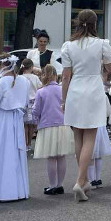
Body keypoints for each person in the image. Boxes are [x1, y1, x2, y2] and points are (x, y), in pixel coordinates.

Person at [61, 9, 111, 202]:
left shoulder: (68, 45)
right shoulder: (102, 44)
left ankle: (83, 181)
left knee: (78, 136)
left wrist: (64, 100)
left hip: (75, 90)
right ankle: (80, 181)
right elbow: (110, 67)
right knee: (90, 137)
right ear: (95, 23)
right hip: (93, 89)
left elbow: (65, 76)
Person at [0, 53, 30, 202]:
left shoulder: (1, 82)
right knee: (14, 151)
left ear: (1, 66)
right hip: (17, 119)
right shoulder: (24, 81)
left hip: (3, 120)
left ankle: (1, 190)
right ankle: (18, 190)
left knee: (2, 151)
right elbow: (26, 101)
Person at [33, 64, 73, 195]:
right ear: (56, 75)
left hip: (47, 126)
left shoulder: (41, 92)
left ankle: (52, 185)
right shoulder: (63, 89)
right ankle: (60, 185)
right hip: (63, 125)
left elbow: (36, 111)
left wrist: (35, 119)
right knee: (61, 157)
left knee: (51, 157)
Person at [19, 59, 42, 154]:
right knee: (32, 125)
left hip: (23, 102)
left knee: (24, 124)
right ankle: (29, 143)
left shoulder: (20, 77)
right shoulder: (35, 77)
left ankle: (25, 144)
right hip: (33, 102)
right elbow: (40, 87)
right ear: (32, 67)